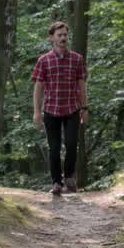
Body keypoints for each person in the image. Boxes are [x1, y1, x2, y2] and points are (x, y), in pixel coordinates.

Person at [31, 21, 88, 195]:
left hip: (72, 109)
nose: (63, 38)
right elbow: (38, 87)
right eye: (59, 35)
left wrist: (85, 109)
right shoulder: (44, 61)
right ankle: (56, 182)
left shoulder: (77, 59)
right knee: (54, 148)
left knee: (71, 144)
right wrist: (37, 111)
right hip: (51, 110)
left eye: (65, 35)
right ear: (52, 38)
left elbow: (82, 86)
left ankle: (69, 176)